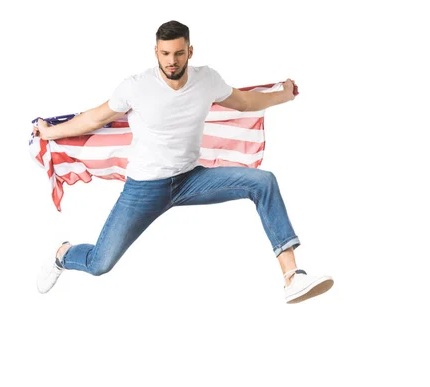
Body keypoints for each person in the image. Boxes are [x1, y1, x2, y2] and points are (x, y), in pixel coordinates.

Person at [34, 20, 333, 304]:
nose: (172, 61)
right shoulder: (136, 87)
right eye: (165, 54)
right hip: (144, 190)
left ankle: (293, 277)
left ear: (190, 51)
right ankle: (63, 253)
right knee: (100, 263)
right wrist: (50, 132)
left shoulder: (207, 80)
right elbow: (92, 119)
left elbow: (244, 102)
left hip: (191, 180)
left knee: (263, 182)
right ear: (156, 52)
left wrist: (283, 94)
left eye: (178, 53)